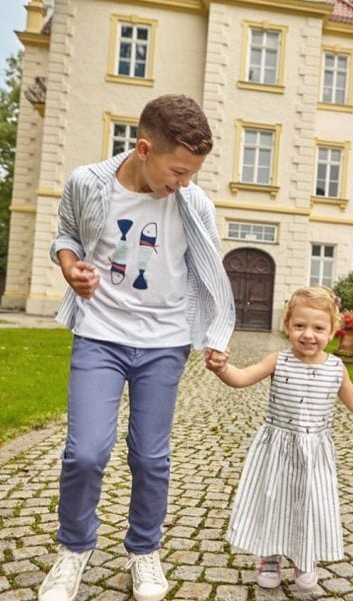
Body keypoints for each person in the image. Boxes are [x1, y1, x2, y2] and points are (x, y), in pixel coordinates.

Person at [38, 94, 235, 601]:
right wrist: (68, 264)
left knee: (150, 457)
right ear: (144, 148)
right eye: (177, 171)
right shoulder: (87, 183)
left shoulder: (195, 203)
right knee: (85, 453)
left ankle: (145, 550)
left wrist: (214, 335)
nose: (184, 182)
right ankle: (73, 550)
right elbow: (66, 234)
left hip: (164, 342)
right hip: (100, 334)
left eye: (192, 172)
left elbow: (209, 271)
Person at [212, 287, 353, 590]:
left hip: (315, 451)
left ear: (331, 331)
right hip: (277, 449)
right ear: (287, 326)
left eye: (318, 328)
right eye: (300, 326)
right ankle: (270, 555)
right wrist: (223, 368)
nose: (308, 334)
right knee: (273, 500)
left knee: (310, 503)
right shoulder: (278, 360)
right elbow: (241, 379)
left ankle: (305, 555)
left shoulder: (335, 367)